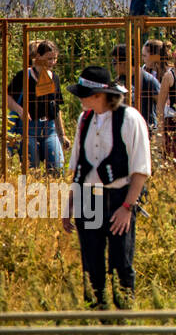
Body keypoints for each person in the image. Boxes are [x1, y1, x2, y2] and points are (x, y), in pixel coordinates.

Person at [60, 66, 151, 309]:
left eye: (84, 94)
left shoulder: (130, 119)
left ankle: (122, 321)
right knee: (91, 264)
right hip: (88, 199)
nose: (80, 98)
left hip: (119, 198)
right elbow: (78, 165)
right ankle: (96, 319)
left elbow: (140, 170)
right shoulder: (84, 119)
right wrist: (70, 204)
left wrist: (127, 208)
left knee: (121, 263)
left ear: (100, 95)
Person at [6, 40, 68, 173]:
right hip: (28, 129)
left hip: (49, 129)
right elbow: (7, 98)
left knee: (57, 169)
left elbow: (56, 109)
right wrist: (20, 110)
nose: (52, 62)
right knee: (32, 170)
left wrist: (62, 135)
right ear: (38, 57)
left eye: (54, 59)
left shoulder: (54, 78)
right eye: (48, 59)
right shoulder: (23, 76)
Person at [109, 44, 160, 132]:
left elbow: (161, 105)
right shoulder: (119, 80)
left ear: (124, 63)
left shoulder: (148, 80)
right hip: (124, 129)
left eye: (114, 62)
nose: (113, 66)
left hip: (146, 130)